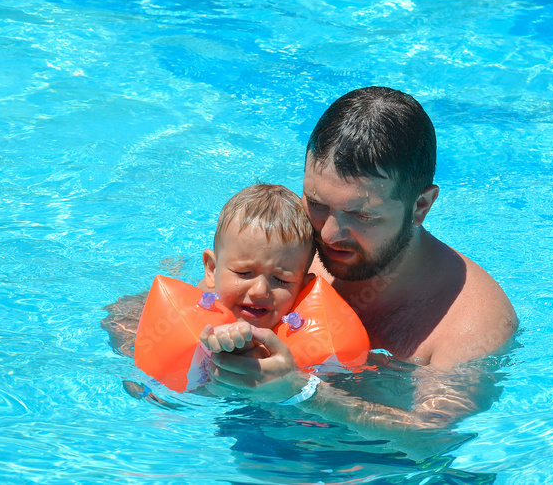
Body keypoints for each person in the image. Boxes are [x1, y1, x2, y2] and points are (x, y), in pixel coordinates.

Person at [202, 86, 519, 429]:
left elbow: (431, 440)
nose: (327, 235)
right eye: (317, 204)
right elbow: (197, 302)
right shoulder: (291, 244)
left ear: (421, 206)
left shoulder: (469, 327)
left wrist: (302, 391)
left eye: (362, 216)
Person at [102, 183, 315, 361]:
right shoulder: (196, 304)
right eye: (244, 273)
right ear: (212, 270)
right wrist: (136, 354)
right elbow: (117, 314)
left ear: (303, 288)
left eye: (281, 279)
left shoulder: (303, 338)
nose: (260, 290)